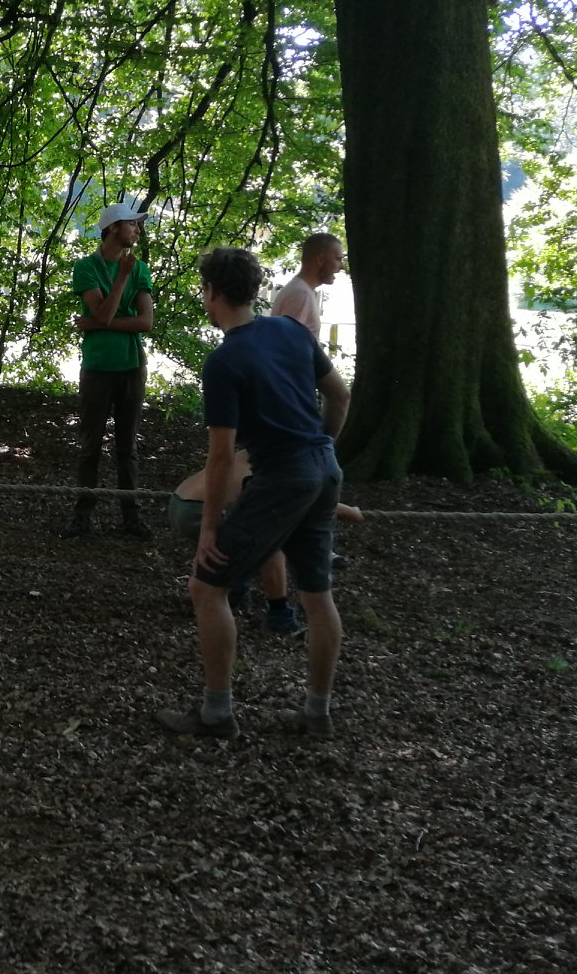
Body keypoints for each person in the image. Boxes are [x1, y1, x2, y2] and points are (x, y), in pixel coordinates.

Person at [156, 247, 351, 742]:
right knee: (317, 594)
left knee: (207, 587)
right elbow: (340, 395)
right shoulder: (291, 330)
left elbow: (222, 457)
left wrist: (208, 529)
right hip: (325, 471)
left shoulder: (225, 361)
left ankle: (216, 714)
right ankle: (317, 713)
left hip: (282, 478)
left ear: (213, 293)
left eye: (204, 290)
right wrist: (322, 448)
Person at [167, 457, 365, 632]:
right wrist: (350, 511)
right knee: (272, 544)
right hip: (197, 510)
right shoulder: (281, 461)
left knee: (251, 532)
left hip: (181, 500)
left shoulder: (262, 448)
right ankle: (279, 613)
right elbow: (305, 495)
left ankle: (236, 589)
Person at [64, 197, 155, 539]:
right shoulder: (86, 267)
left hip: (132, 366)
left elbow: (145, 322)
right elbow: (103, 314)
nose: (137, 230)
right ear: (113, 228)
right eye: (132, 224)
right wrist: (120, 282)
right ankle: (82, 516)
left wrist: (94, 323)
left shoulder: (140, 268)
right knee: (90, 445)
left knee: (127, 446)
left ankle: (131, 516)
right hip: (98, 367)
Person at [267, 232, 345, 341]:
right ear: (320, 260)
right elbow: (288, 345)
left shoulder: (301, 290)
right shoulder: (301, 294)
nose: (342, 266)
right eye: (338, 259)